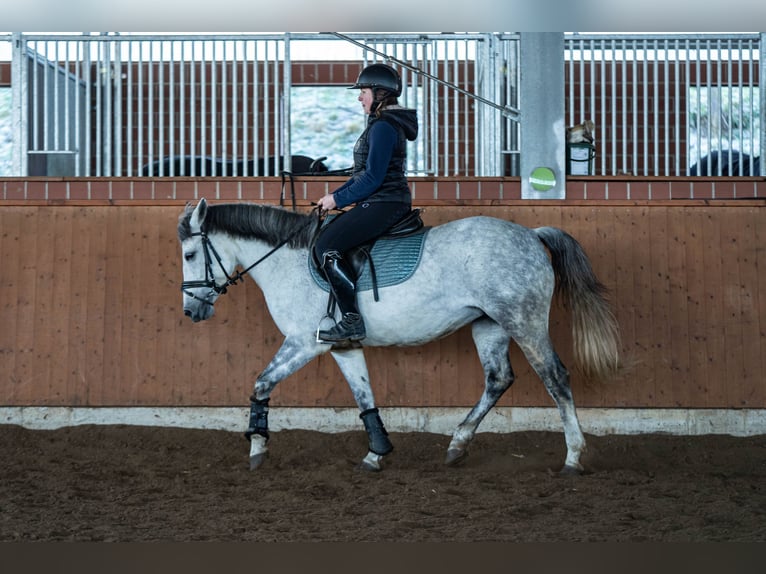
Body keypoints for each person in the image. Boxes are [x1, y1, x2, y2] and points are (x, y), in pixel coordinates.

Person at [314, 63, 418, 342]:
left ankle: (351, 320)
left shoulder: (384, 127)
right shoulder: (381, 124)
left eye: (364, 91)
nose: (360, 97)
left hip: (385, 201)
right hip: (383, 199)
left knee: (326, 246)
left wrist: (337, 198)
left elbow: (372, 179)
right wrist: (333, 197)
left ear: (380, 93)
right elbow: (361, 175)